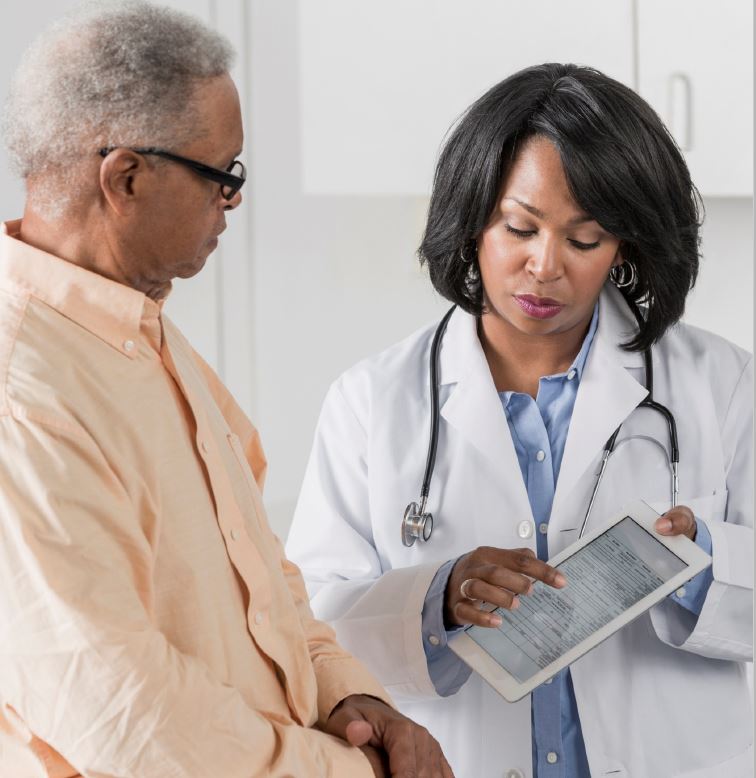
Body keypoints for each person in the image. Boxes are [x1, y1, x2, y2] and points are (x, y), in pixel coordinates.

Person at [0, 3, 453, 776]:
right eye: (223, 175)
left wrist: (349, 699)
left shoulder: (144, 333)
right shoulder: (23, 389)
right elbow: (120, 709)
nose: (232, 203)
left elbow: (262, 576)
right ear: (126, 178)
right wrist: (351, 772)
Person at [286, 63, 753, 778]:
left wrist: (700, 567)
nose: (545, 266)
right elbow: (312, 631)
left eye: (585, 239)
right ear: (474, 221)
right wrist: (435, 600)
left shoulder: (719, 384)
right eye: (519, 227)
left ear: (623, 246)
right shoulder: (372, 401)